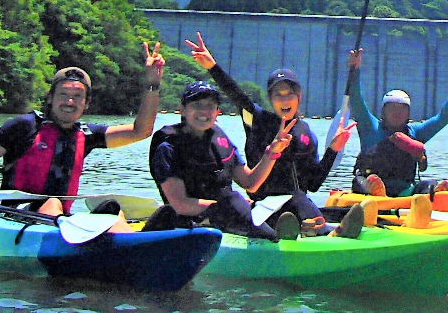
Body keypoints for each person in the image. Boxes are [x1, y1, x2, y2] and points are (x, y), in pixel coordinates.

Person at [0, 43, 165, 225]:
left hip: (55, 220)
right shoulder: (23, 126)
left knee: (112, 209)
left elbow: (141, 131)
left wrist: (152, 84)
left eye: (77, 96)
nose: (70, 101)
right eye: (63, 94)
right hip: (11, 216)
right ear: (50, 97)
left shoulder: (87, 135)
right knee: (53, 203)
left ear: (87, 103)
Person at [146, 80, 365, 240]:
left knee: (293, 198)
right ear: (182, 109)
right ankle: (284, 238)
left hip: (230, 210)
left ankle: (324, 231)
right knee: (248, 216)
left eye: (210, 106)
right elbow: (180, 203)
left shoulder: (219, 140)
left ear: (217, 111)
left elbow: (250, 183)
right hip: (194, 221)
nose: (204, 111)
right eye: (196, 105)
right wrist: (223, 207)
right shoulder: (168, 148)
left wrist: (272, 152)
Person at [185, 32, 355, 238]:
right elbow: (236, 95)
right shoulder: (258, 121)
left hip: (298, 206)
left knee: (302, 198)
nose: (284, 101)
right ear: (270, 99)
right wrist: (212, 67)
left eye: (289, 94)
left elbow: (314, 183)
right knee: (299, 200)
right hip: (263, 207)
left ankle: (317, 229)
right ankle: (324, 231)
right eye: (278, 95)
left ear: (299, 97)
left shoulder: (306, 134)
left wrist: (333, 150)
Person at [346, 47, 448, 197]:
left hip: (405, 193)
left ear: (408, 114)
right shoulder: (370, 126)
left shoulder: (415, 132)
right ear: (383, 111)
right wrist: (354, 69)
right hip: (369, 190)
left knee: (429, 184)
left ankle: (436, 194)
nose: (397, 113)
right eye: (392, 108)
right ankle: (376, 191)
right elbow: (356, 98)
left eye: (402, 109)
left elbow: (442, 119)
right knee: (359, 181)